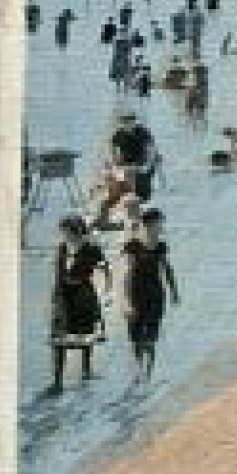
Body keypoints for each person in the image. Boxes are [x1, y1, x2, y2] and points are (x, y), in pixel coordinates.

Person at [46, 214, 111, 394]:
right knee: (58, 338)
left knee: (85, 334)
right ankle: (57, 381)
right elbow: (57, 274)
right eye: (62, 232)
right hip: (63, 296)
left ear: (77, 231)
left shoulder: (91, 249)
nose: (64, 235)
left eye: (66, 232)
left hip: (83, 295)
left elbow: (105, 268)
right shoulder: (61, 249)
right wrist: (54, 299)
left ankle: (86, 371)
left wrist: (107, 291)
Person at [120, 207, 179, 382]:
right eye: (159, 223)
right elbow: (127, 274)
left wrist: (174, 291)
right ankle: (138, 371)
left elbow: (167, 269)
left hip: (155, 295)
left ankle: (148, 373)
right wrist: (126, 301)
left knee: (151, 336)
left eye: (161, 224)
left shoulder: (161, 246)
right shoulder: (133, 246)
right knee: (136, 337)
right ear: (150, 224)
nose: (161, 227)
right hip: (136, 294)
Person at [108, 110, 158, 201]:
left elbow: (151, 150)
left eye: (129, 121)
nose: (127, 124)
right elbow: (112, 151)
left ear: (134, 122)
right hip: (127, 163)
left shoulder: (143, 132)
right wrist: (115, 165)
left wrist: (146, 166)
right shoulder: (118, 134)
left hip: (142, 163)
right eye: (124, 122)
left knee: (143, 190)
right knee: (121, 180)